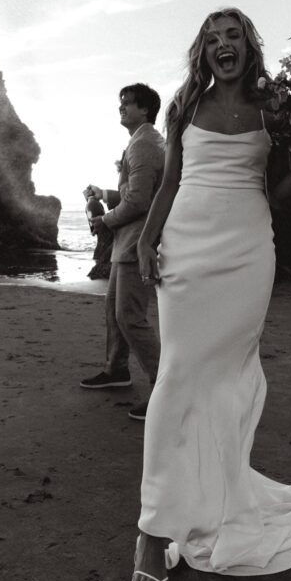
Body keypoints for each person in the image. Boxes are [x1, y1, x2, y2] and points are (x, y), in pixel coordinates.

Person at [132, 8, 291, 581]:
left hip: (247, 254)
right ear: (202, 51)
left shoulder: (275, 106)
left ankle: (210, 501)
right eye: (212, 39)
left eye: (232, 36)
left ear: (249, 43)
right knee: (177, 377)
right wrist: (144, 238)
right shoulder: (185, 104)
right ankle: (152, 531)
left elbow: (274, 195)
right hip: (187, 250)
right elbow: (168, 184)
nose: (223, 46)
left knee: (229, 384)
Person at [80, 83, 166, 421]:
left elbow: (140, 202)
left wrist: (103, 221)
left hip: (137, 242)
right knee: (114, 310)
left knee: (130, 316)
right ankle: (116, 370)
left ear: (145, 110)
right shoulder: (141, 142)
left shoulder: (144, 144)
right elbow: (135, 191)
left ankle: (164, 388)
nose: (121, 108)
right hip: (126, 242)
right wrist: (104, 192)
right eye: (120, 103)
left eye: (127, 103)